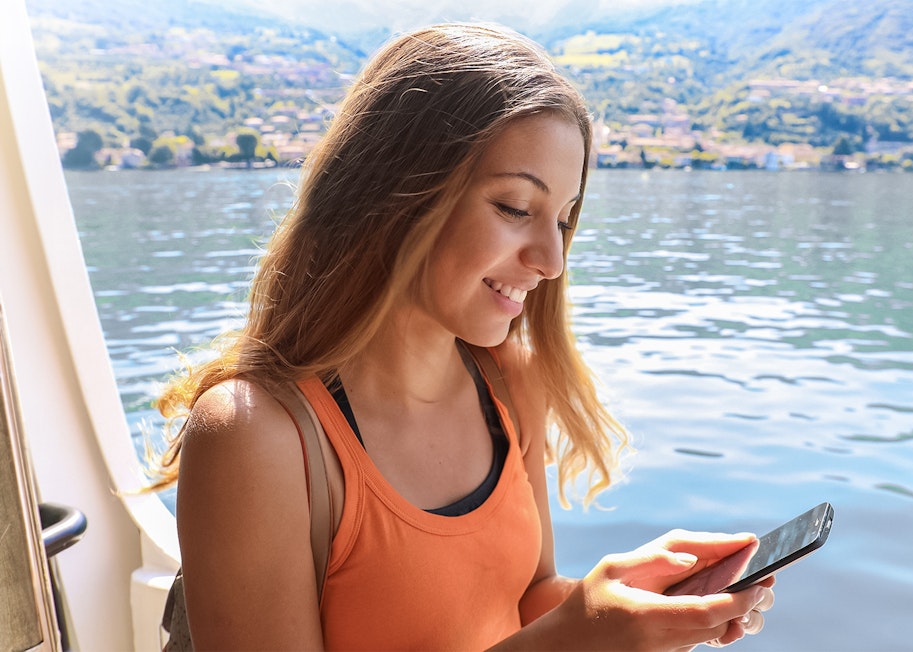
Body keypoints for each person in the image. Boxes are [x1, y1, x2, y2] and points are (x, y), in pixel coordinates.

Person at [152, 22, 775, 650]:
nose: (552, 260)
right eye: (513, 208)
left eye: (564, 219)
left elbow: (527, 600)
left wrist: (629, 603)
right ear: (394, 192)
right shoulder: (257, 435)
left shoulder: (510, 381)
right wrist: (571, 641)